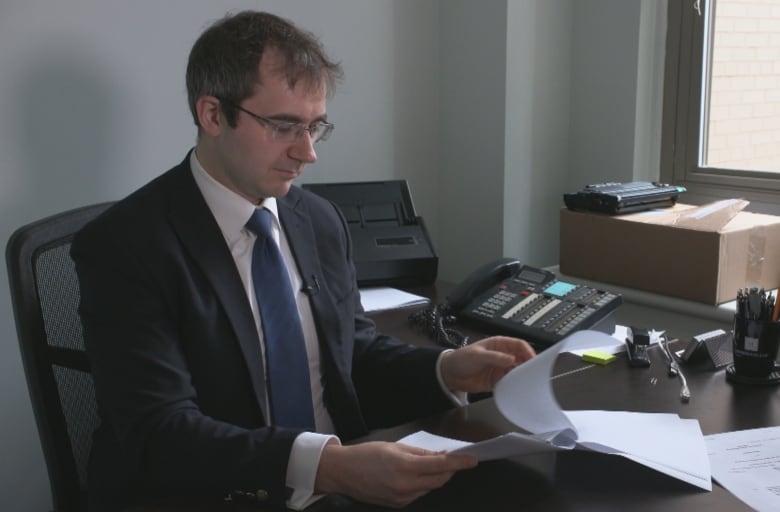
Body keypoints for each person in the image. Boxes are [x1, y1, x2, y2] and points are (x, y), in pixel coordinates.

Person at [71, 10, 535, 511]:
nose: (308, 153)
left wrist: (447, 369)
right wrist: (328, 467)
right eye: (285, 126)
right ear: (212, 115)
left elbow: (351, 354)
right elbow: (159, 431)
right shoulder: (126, 245)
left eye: (316, 127)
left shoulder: (316, 219)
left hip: (344, 478)